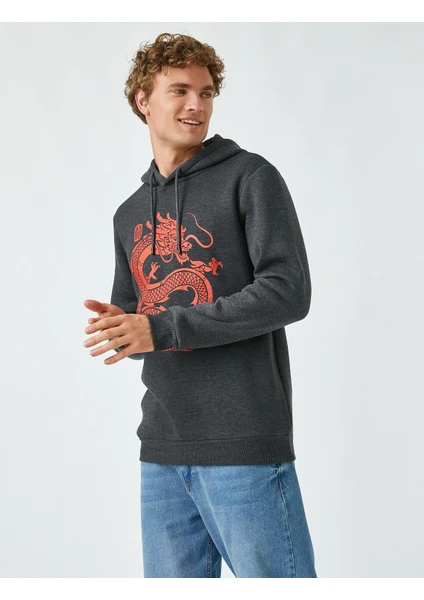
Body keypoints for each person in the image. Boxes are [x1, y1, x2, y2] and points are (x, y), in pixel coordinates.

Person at [83, 32, 317, 578]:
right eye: (180, 91)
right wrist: (124, 331)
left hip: (243, 443)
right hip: (162, 449)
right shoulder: (129, 213)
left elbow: (288, 291)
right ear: (143, 99)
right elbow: (142, 322)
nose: (197, 105)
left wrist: (162, 328)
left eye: (206, 92)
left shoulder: (250, 177)